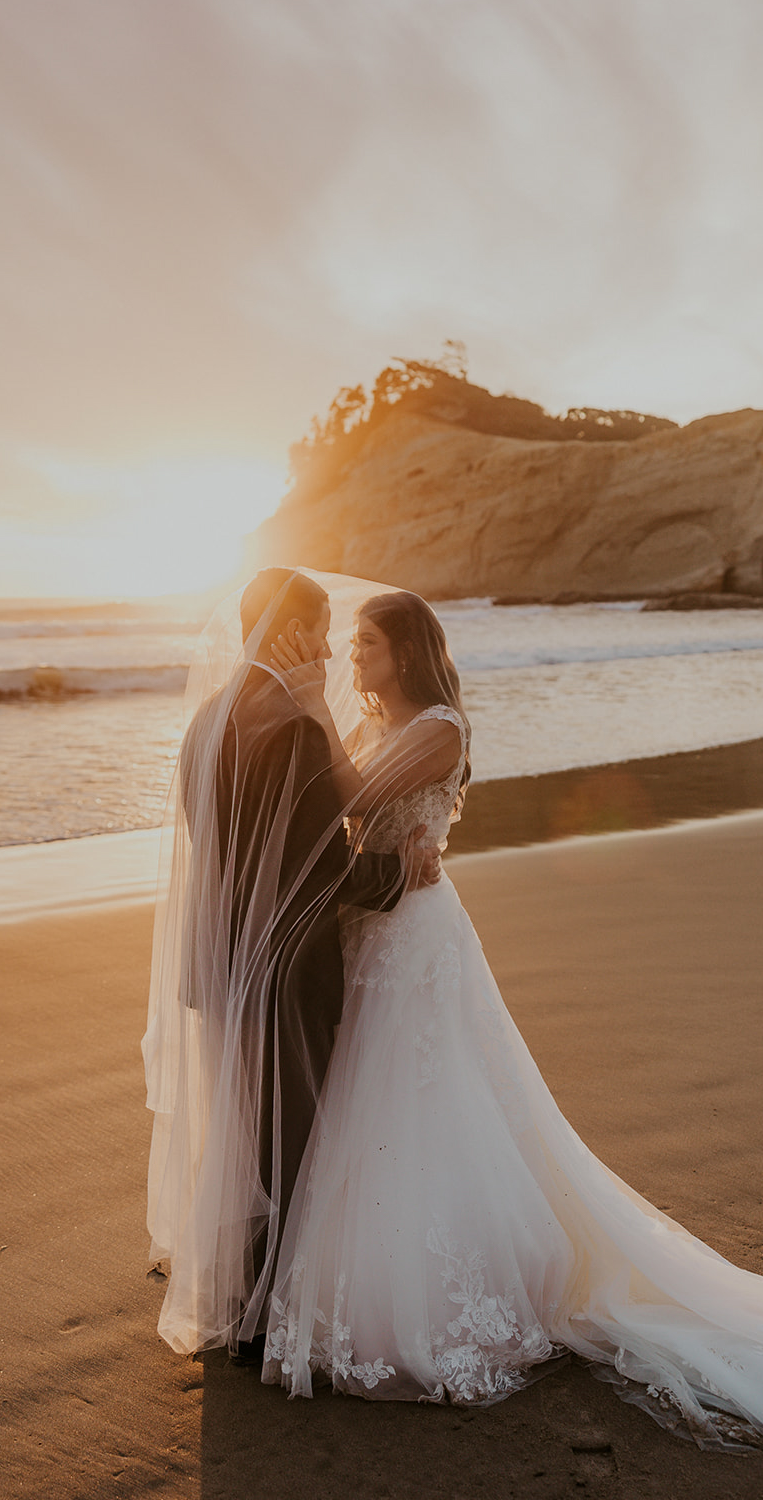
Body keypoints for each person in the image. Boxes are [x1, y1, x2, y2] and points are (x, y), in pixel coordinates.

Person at [244, 586, 763, 1500]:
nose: (351, 658)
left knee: (422, 1099)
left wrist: (306, 708)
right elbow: (341, 821)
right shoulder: (382, 725)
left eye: (366, 644)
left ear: (406, 651)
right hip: (374, 928)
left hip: (412, 938)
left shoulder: (438, 728)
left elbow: (351, 795)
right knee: (381, 1104)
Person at [142, 570, 440, 1356]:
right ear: (291, 631)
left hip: (222, 956)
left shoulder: (208, 715)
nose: (329, 652)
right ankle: (265, 1318)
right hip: (285, 963)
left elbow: (223, 850)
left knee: (243, 1132)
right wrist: (397, 875)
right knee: (289, 1139)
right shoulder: (295, 727)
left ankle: (239, 1296)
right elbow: (317, 869)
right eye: (322, 632)